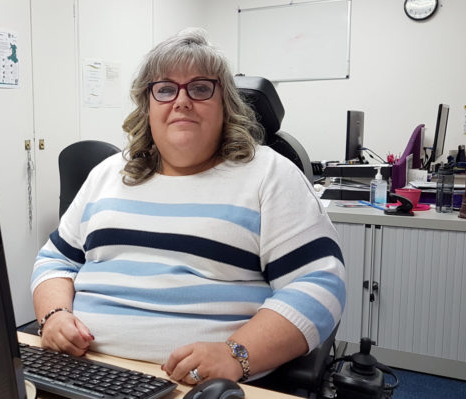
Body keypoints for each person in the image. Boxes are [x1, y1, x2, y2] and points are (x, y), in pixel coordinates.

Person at [31, 28, 345, 387]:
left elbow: (320, 284)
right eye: (165, 89)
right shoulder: (107, 174)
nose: (181, 101)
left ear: (225, 105)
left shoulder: (269, 176)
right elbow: (55, 260)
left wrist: (235, 353)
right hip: (81, 372)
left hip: (201, 387)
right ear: (147, 107)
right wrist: (53, 315)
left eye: (199, 88)